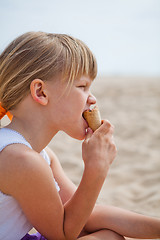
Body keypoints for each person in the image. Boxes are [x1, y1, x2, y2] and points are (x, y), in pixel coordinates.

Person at [0, 31, 159, 240]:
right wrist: (96, 168)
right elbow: (63, 234)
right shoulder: (22, 160)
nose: (92, 99)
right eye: (82, 86)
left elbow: (87, 216)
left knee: (107, 235)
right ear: (40, 92)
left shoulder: (41, 154)